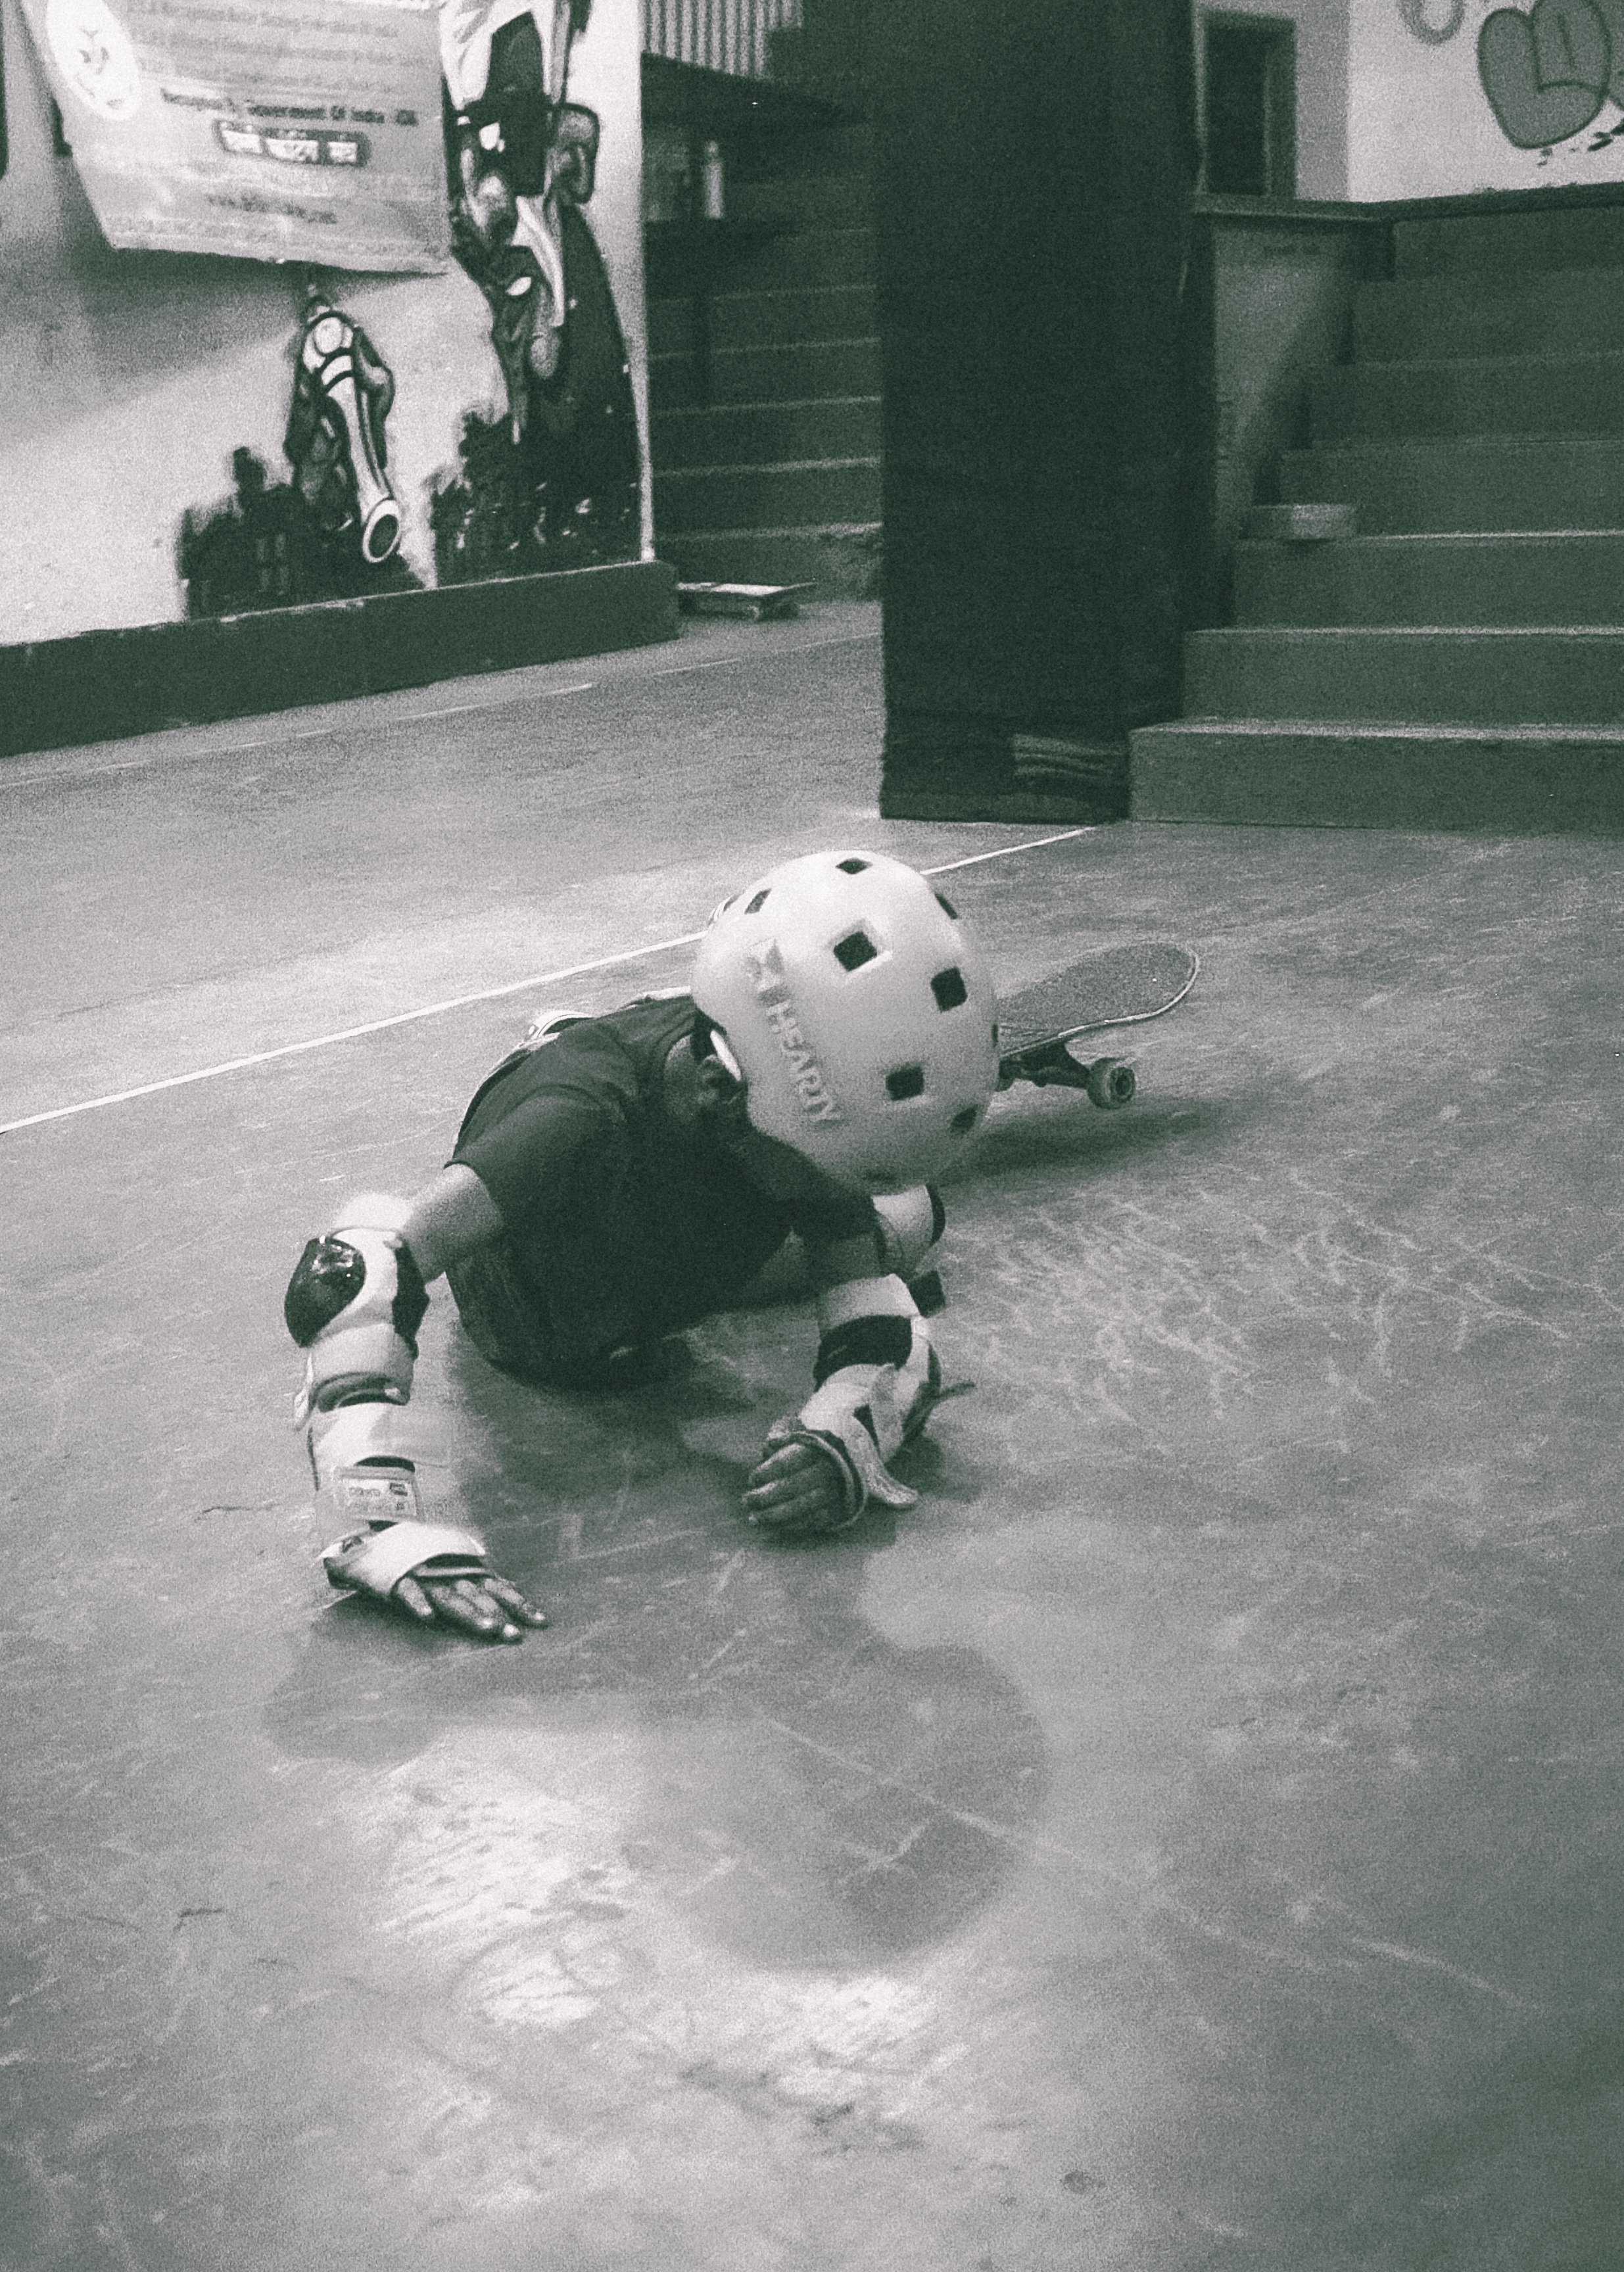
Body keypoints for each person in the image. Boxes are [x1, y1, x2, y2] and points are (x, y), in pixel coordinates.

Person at [283, 850, 1001, 1641]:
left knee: (910, 1221)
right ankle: (564, 1043)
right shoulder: (575, 1124)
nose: (832, 1189)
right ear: (719, 1090)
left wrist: (839, 1439)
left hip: (681, 1238)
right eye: (817, 1162)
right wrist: (379, 1526)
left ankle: (609, 1026)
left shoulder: (773, 1113)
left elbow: (878, 1331)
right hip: (542, 1311)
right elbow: (355, 1281)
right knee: (895, 1223)